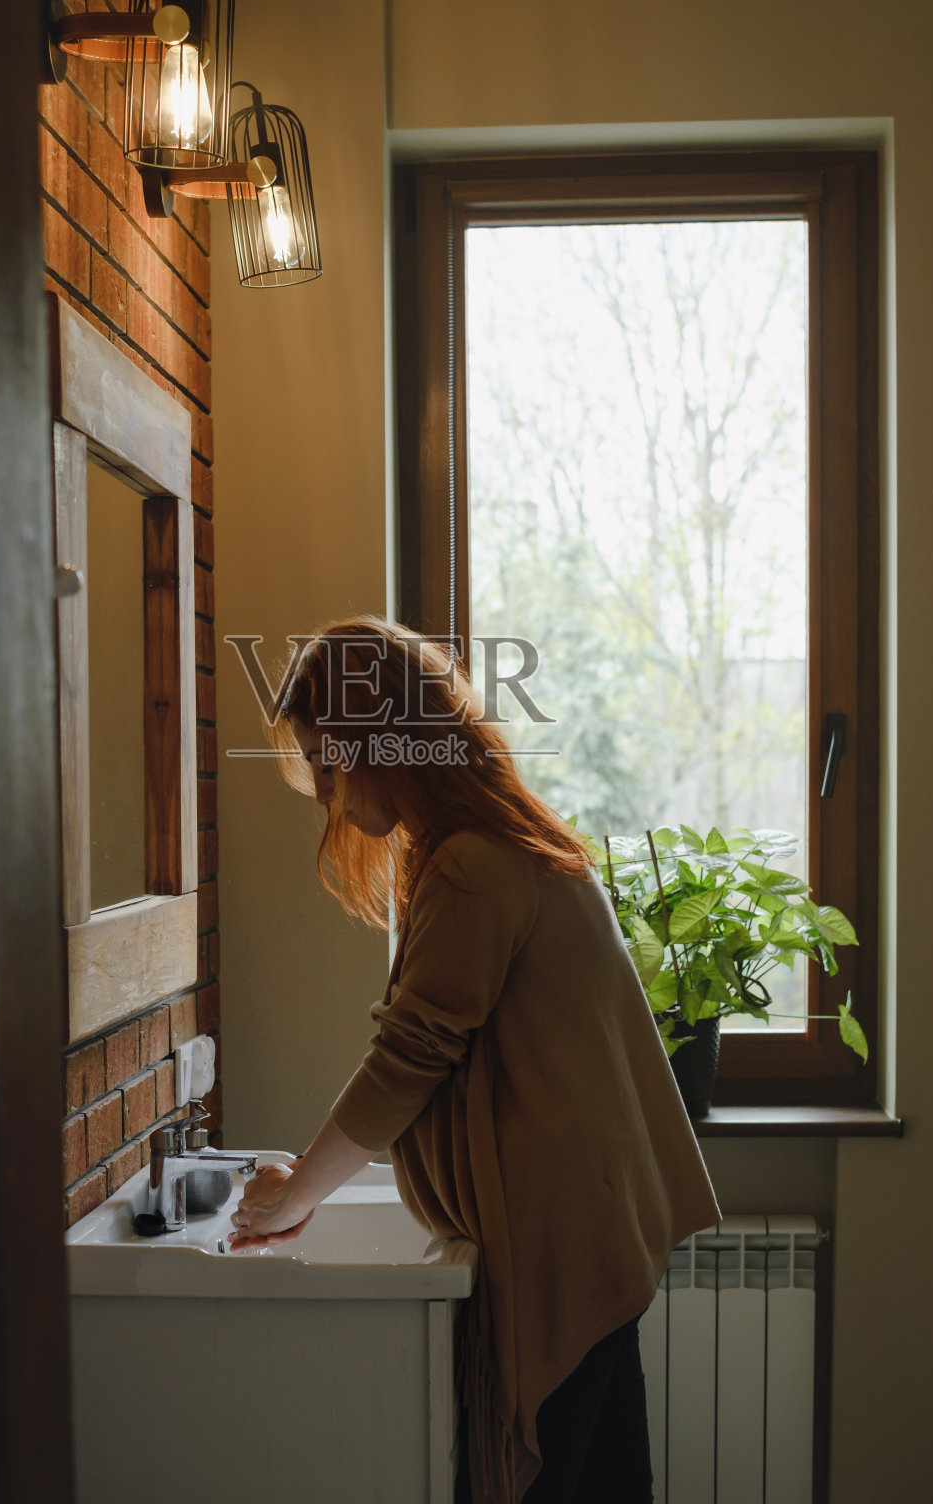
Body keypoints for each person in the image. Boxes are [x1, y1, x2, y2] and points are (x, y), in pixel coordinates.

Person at [229, 617, 720, 1504]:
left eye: (328, 763)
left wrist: (292, 1194)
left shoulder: (470, 868)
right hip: (594, 1234)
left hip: (560, 1245)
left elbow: (408, 1058)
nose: (322, 795)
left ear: (382, 744)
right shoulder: (505, 846)